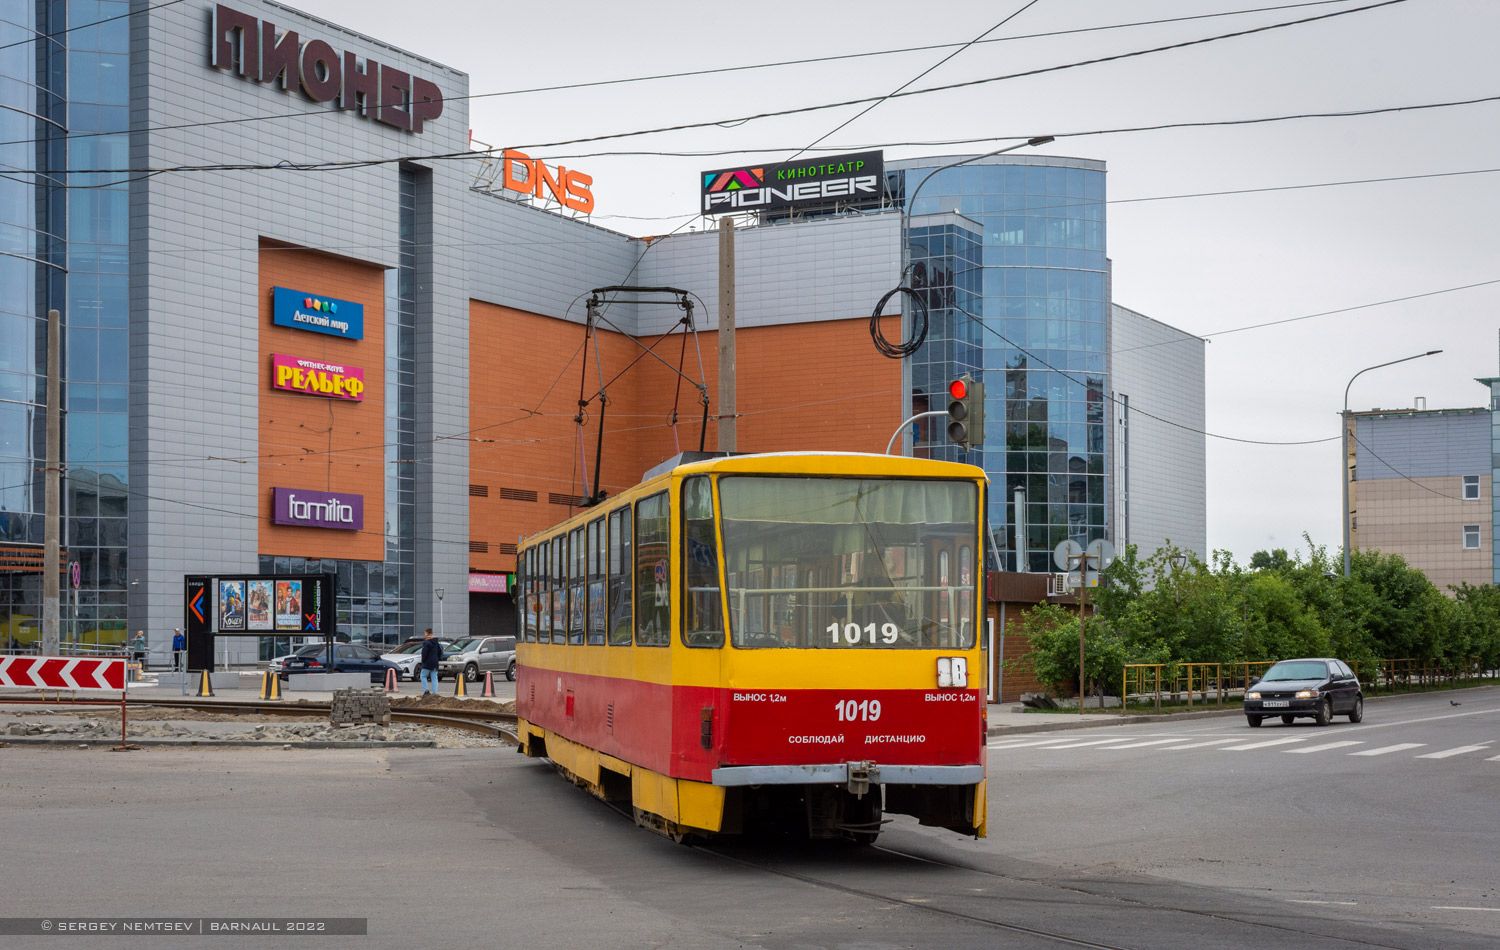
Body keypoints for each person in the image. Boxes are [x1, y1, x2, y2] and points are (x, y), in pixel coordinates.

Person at [419, 628, 442, 696]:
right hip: (435, 662)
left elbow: (424, 653)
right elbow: (439, 652)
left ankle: (426, 691)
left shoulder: (426, 643)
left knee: (423, 676)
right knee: (434, 677)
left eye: (425, 633)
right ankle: (435, 693)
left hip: (427, 662)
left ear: (427, 633)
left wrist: (423, 660)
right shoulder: (436, 642)